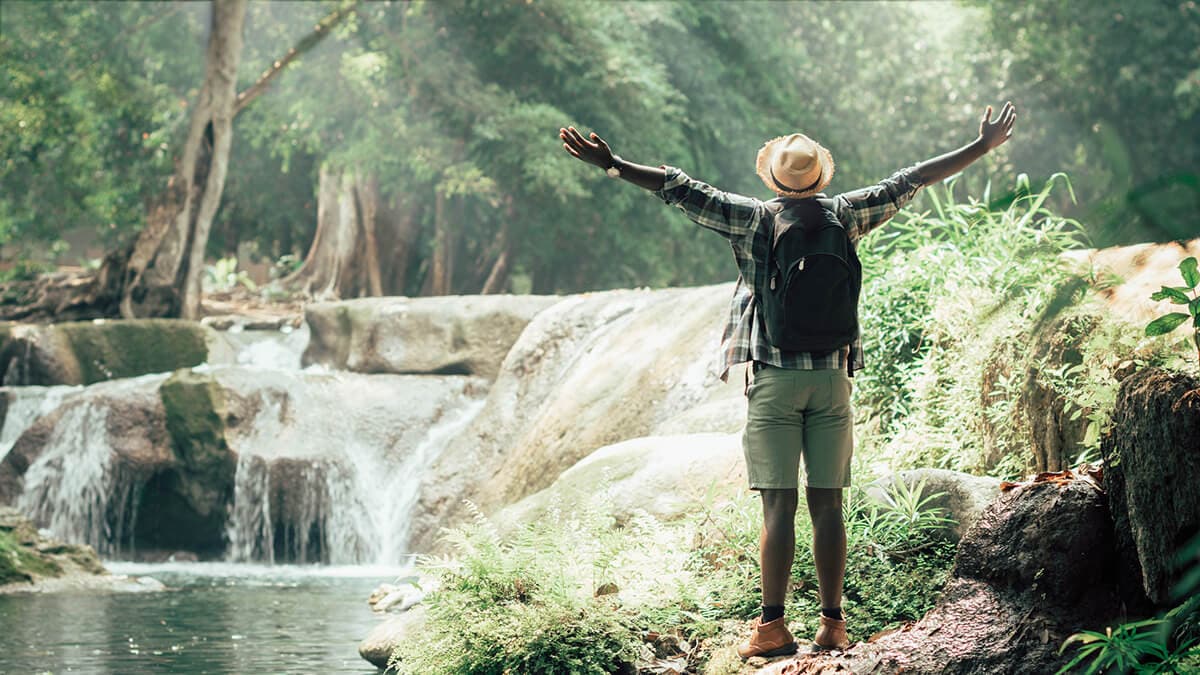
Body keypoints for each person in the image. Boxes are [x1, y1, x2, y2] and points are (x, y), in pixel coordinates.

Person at [558, 101, 1016, 658]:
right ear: (820, 176)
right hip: (831, 381)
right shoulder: (845, 215)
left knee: (778, 507)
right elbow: (912, 179)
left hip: (774, 382)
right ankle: (833, 624)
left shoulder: (752, 218)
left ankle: (772, 628)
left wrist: (614, 164)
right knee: (828, 505)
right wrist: (981, 146)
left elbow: (678, 187)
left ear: (774, 178)